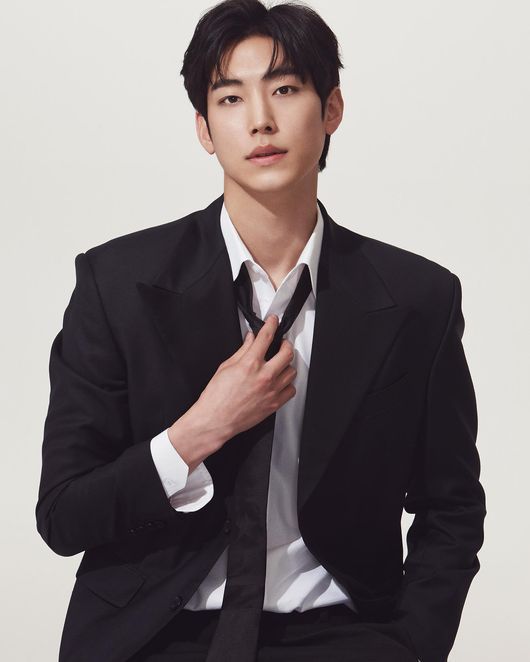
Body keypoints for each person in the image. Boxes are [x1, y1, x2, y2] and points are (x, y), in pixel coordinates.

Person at [35, 1, 486, 661]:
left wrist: (412, 646)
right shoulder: (117, 285)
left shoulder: (418, 298)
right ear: (204, 129)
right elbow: (63, 514)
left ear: (332, 109)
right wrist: (195, 433)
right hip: (155, 634)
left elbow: (451, 505)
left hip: (343, 633)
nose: (260, 120)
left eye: (285, 89)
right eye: (230, 98)